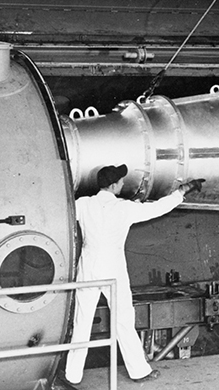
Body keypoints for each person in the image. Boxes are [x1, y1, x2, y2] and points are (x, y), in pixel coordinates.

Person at [60, 165, 203, 386]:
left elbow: (62, 211)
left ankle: (72, 375)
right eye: (121, 181)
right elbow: (157, 208)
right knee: (123, 321)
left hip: (88, 266)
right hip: (113, 269)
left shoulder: (84, 204)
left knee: (82, 321)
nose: (124, 184)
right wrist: (182, 190)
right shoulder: (123, 208)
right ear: (114, 185)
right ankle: (138, 371)